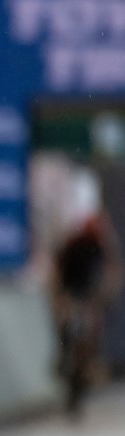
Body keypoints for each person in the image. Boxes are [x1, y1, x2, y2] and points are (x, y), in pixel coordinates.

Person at [48, 166, 124, 407]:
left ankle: (89, 359)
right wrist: (57, 293)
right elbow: (58, 267)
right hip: (72, 278)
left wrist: (107, 291)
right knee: (63, 313)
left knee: (94, 318)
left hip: (89, 281)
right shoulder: (71, 234)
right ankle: (62, 351)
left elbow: (111, 265)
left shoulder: (98, 231)